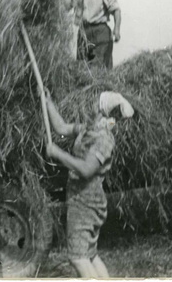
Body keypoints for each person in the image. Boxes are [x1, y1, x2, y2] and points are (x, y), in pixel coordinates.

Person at [44, 89, 133, 278]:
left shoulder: (104, 139)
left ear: (102, 110)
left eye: (95, 102)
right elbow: (60, 128)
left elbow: (86, 169)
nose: (90, 104)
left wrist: (58, 154)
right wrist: (48, 102)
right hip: (81, 199)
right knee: (89, 255)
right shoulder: (88, 128)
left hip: (87, 202)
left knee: (78, 258)